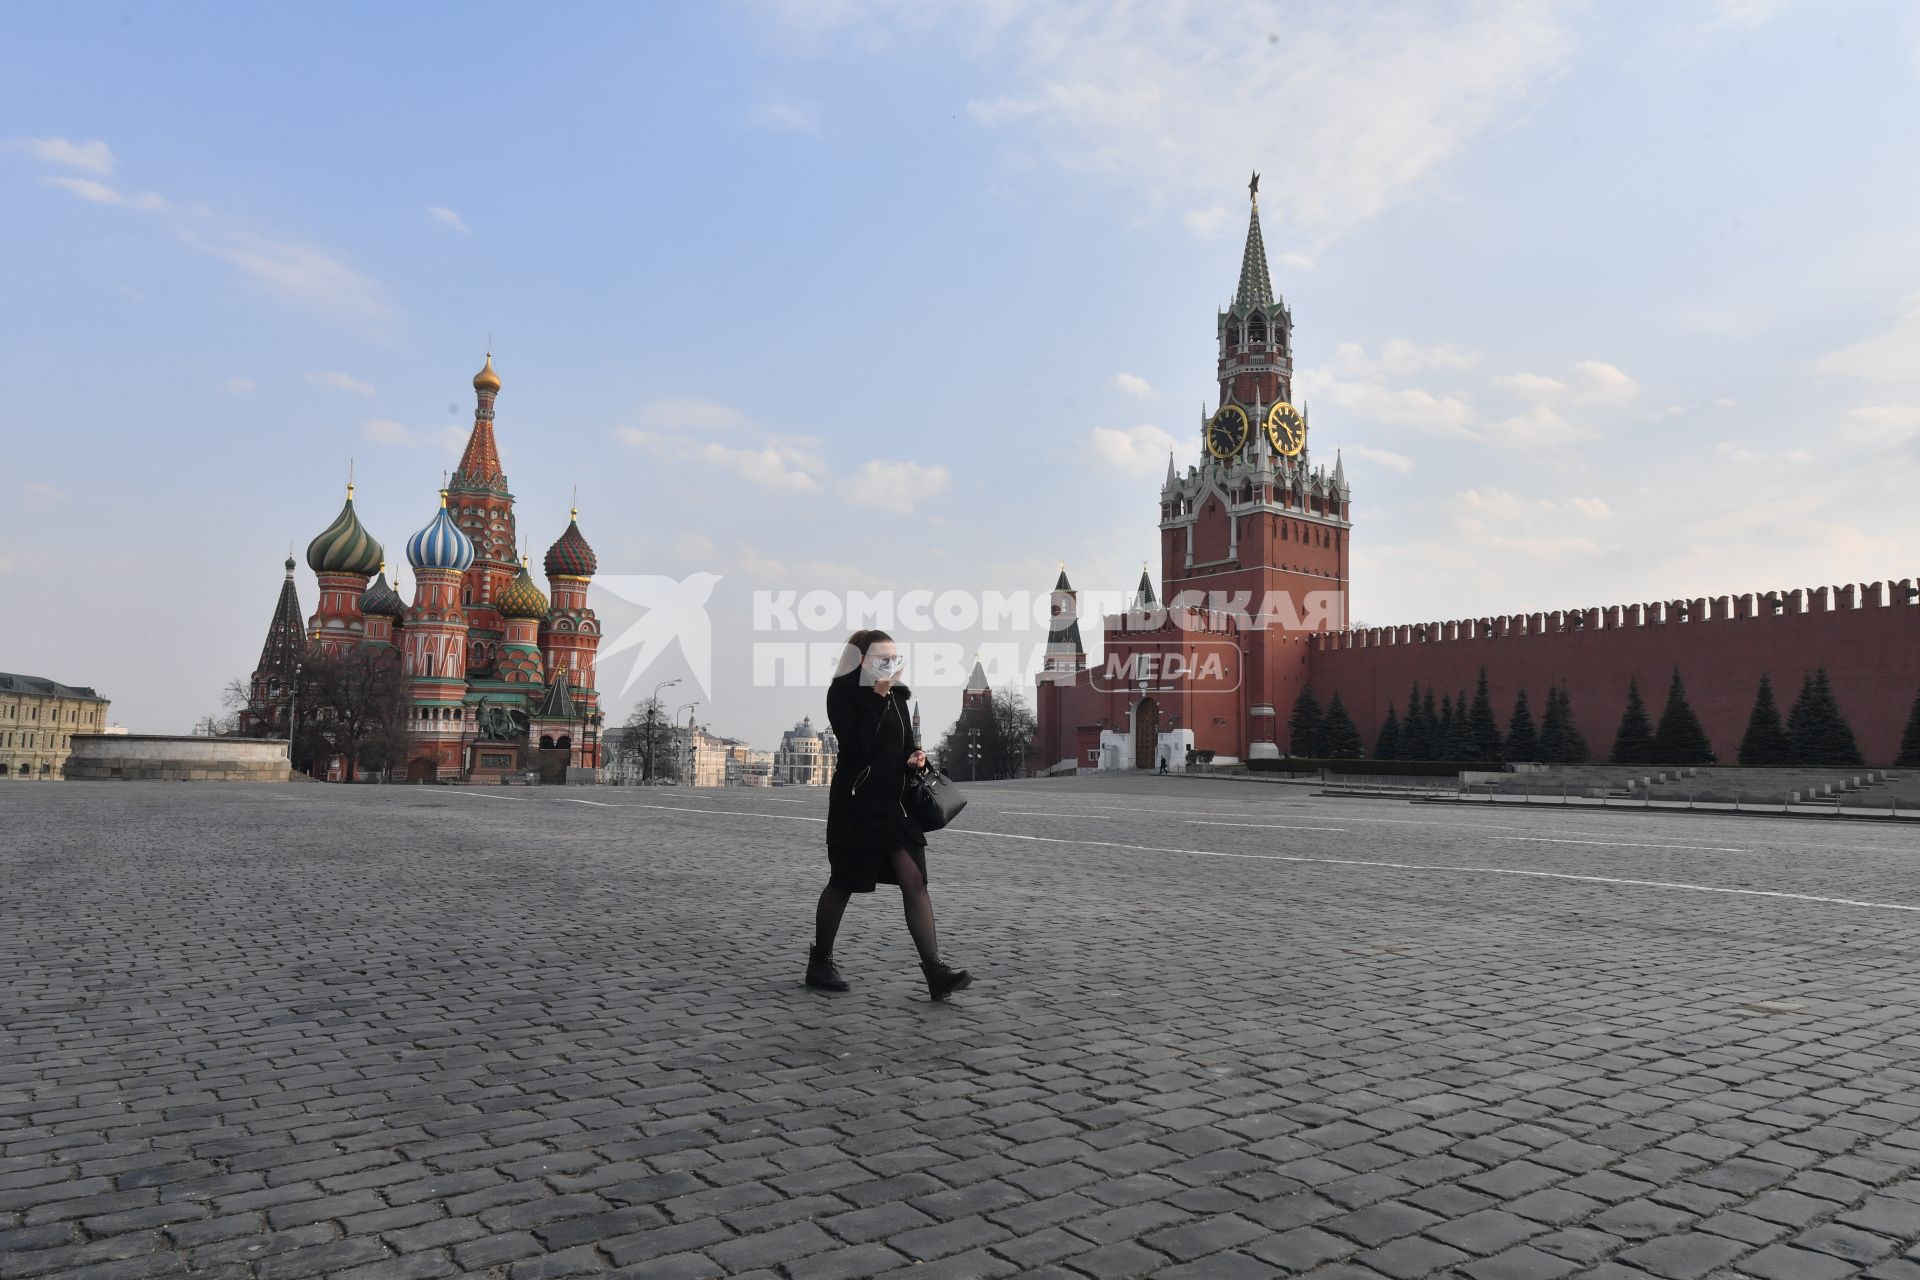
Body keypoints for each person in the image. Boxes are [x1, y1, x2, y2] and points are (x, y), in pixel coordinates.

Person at [808, 629, 973, 1000]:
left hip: (896, 807)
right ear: (861, 661)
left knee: (915, 881)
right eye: (883, 658)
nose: (891, 665)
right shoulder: (843, 694)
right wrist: (878, 695)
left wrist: (916, 758)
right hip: (859, 807)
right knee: (843, 883)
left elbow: (901, 746)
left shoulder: (899, 697)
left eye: (895, 658)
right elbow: (857, 746)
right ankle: (819, 961)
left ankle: (935, 972)